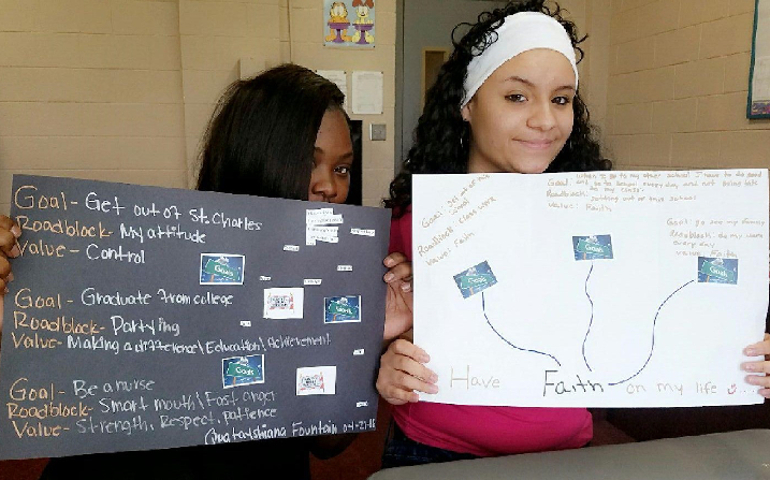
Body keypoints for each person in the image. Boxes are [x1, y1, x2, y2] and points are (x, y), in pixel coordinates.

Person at [375, 0, 770, 468]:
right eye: (517, 96)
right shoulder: (416, 225)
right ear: (467, 103)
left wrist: (734, 349)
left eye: (560, 99)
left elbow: (648, 312)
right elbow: (379, 341)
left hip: (564, 455)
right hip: (433, 453)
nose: (545, 119)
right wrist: (384, 366)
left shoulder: (604, 224)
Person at [0, 64, 412, 479]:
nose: (330, 187)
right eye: (308, 161)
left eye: (341, 168)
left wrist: (367, 341)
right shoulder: (150, 256)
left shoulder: (330, 281)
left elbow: (326, 442)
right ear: (255, 156)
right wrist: (17, 299)